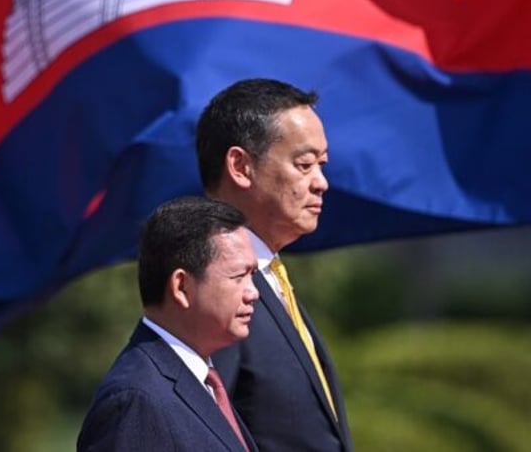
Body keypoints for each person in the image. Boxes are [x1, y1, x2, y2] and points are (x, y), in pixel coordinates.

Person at [196, 78, 353, 451]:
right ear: (240, 166)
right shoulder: (213, 283)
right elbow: (197, 430)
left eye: (322, 165)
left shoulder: (268, 276)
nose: (322, 183)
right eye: (304, 164)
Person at [78, 196, 260, 452]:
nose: (253, 293)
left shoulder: (203, 382)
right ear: (181, 286)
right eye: (239, 276)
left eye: (253, 276)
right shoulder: (135, 401)